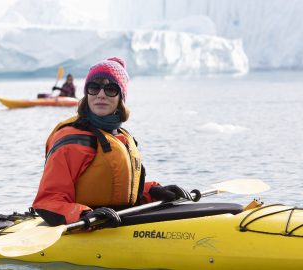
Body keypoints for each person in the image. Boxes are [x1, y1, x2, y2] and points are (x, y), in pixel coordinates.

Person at [32, 57, 193, 228]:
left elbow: (117, 192)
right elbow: (47, 202)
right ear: (87, 94)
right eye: (94, 88)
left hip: (116, 221)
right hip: (83, 227)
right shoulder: (73, 141)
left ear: (121, 98)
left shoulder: (122, 137)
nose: (101, 94)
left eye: (110, 89)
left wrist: (152, 192)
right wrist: (85, 215)